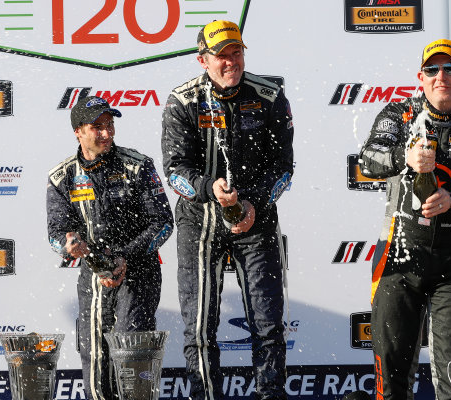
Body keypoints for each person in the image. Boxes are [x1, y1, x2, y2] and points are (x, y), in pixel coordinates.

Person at [359, 39, 451, 399]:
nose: (442, 77)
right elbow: (368, 160)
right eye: (432, 70)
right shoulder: (400, 115)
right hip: (399, 258)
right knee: (389, 384)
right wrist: (404, 157)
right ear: (420, 78)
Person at [161, 20, 294, 400]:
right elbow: (175, 170)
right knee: (200, 327)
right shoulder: (182, 100)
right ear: (203, 59)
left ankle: (270, 394)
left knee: (268, 323)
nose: (231, 61)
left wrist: (253, 201)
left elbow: (283, 167)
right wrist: (208, 188)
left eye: (236, 52)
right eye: (221, 55)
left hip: (256, 220)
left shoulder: (269, 96)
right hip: (199, 222)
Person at [47, 96, 173, 400]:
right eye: (97, 127)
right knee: (95, 358)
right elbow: (55, 233)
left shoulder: (138, 165)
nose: (107, 133)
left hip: (138, 273)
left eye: (110, 125)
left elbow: (164, 222)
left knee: (132, 356)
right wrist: (69, 244)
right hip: (93, 277)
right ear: (78, 131)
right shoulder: (61, 177)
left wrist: (125, 257)